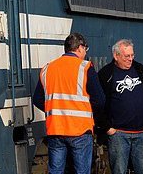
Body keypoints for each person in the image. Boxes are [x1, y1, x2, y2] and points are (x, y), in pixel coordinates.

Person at [33, 33, 106, 174]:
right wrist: (87, 112)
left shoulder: (47, 69)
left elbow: (37, 99)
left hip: (56, 129)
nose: (85, 52)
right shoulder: (85, 67)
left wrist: (55, 111)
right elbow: (100, 100)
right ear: (79, 48)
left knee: (56, 171)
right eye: (85, 49)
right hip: (80, 130)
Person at [95, 39, 143, 174]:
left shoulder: (141, 70)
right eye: (126, 56)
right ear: (116, 55)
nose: (130, 59)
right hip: (118, 134)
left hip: (142, 133)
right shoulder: (106, 74)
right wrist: (107, 128)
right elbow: (97, 103)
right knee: (119, 170)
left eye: (132, 55)